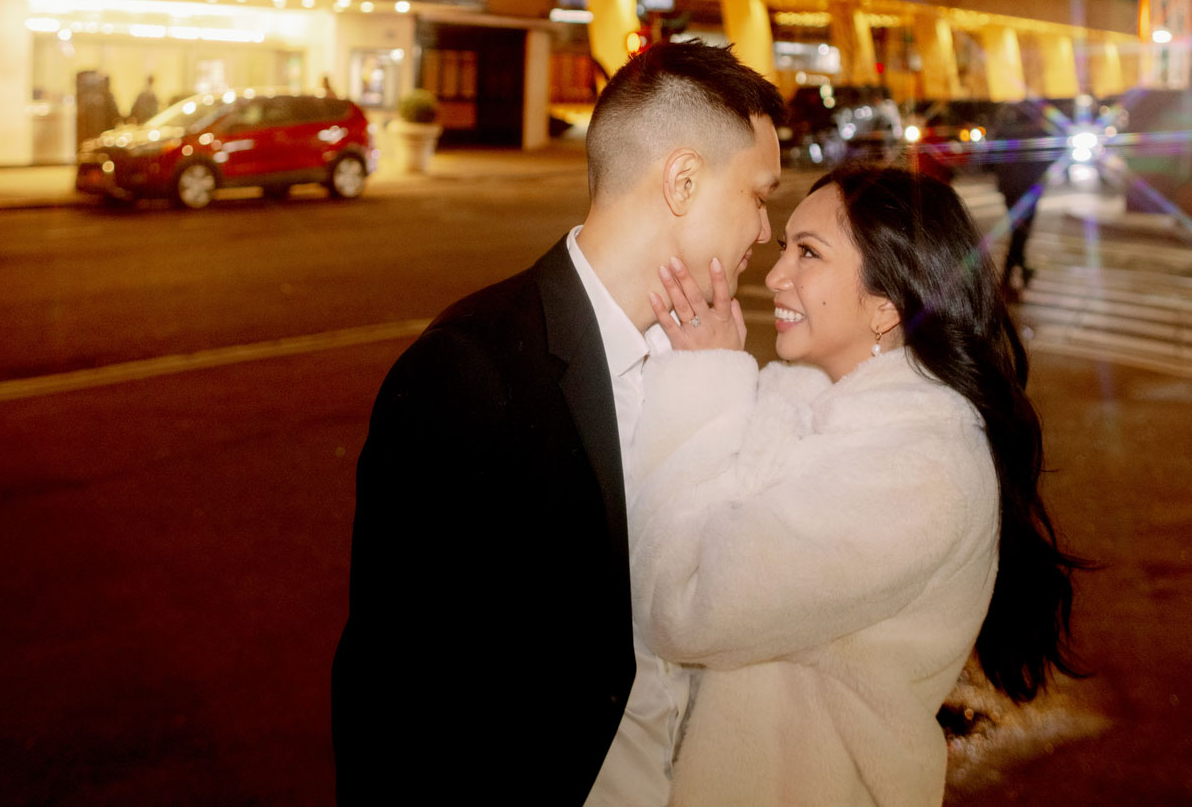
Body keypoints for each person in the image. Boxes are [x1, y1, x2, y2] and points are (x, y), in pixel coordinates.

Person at [330, 40, 785, 804]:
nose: (765, 232)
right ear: (682, 180)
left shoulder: (701, 362)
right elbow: (393, 693)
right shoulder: (470, 372)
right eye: (760, 194)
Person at [630, 165, 1084, 806]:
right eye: (785, 245)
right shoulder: (808, 405)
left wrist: (703, 382)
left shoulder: (920, 468)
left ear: (886, 304)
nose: (776, 274)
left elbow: (680, 602)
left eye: (808, 253)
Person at [989, 97, 1057, 295]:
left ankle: (1020, 270)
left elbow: (991, 157)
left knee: (1019, 231)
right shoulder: (1038, 130)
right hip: (1027, 188)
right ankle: (1009, 276)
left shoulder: (1006, 129)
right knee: (1021, 233)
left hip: (1011, 188)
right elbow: (1051, 157)